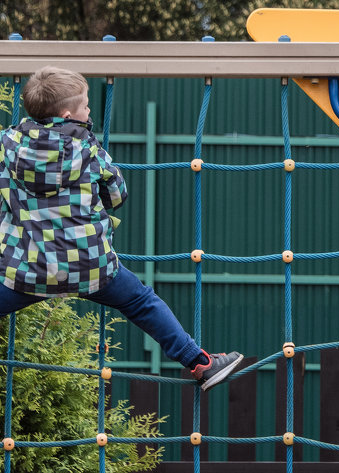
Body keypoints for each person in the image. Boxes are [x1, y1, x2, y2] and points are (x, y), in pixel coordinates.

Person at [0, 66, 243, 391]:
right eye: (86, 106)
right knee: (142, 302)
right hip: (91, 266)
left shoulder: (7, 146)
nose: (89, 112)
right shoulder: (88, 150)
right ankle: (201, 364)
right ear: (70, 113)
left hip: (27, 270)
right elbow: (117, 195)